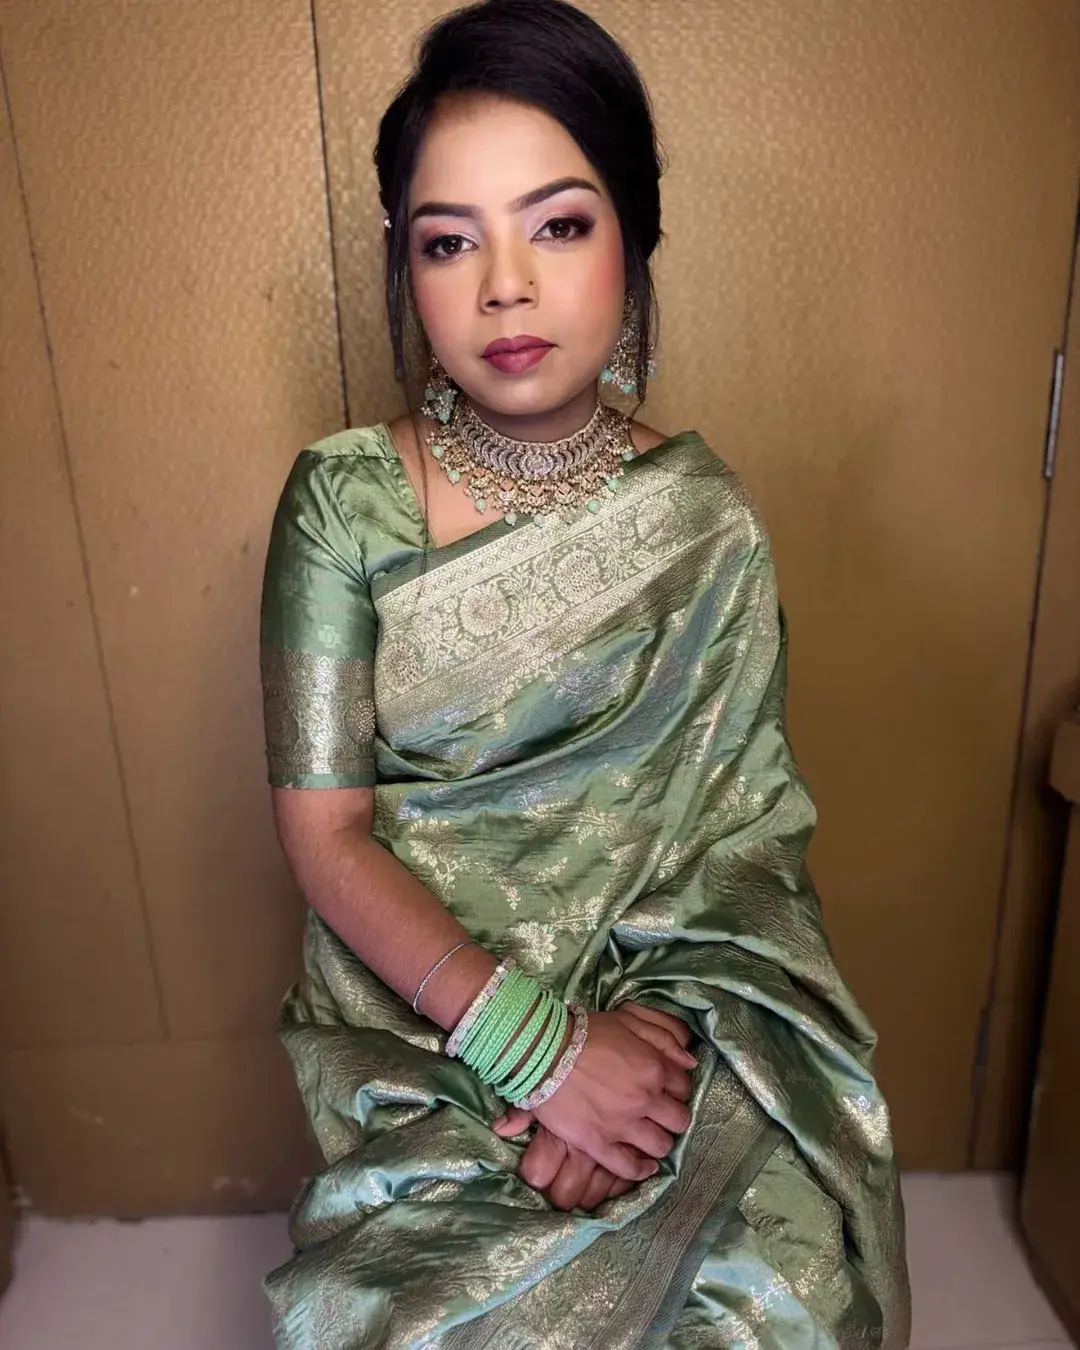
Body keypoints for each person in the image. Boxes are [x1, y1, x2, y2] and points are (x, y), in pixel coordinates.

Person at [259, 0, 911, 1345]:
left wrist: (637, 1076)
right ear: (406, 266)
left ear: (634, 237)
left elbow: (736, 851)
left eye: (557, 224)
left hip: (670, 1022)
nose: (504, 286)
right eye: (449, 241)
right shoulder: (343, 504)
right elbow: (327, 839)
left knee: (774, 1298)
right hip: (427, 1027)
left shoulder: (703, 523)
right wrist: (539, 1054)